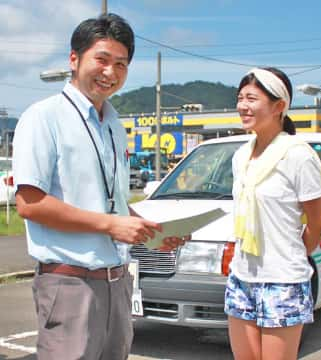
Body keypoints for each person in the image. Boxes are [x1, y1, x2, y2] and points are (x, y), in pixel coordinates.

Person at [13, 13, 187, 360]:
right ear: (74, 60)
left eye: (121, 64)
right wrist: (112, 224)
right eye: (102, 60)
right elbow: (30, 204)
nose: (111, 72)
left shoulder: (114, 124)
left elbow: (114, 202)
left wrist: (151, 233)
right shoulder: (42, 117)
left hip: (118, 283)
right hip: (69, 282)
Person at [224, 67, 321, 360]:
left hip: (283, 279)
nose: (243, 106)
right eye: (240, 98)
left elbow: (315, 220)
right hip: (242, 276)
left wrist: (291, 257)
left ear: (279, 107)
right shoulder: (241, 156)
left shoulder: (297, 155)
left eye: (252, 98)